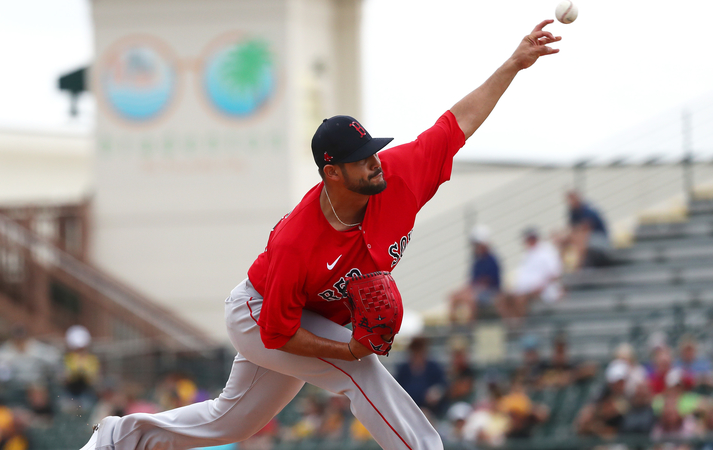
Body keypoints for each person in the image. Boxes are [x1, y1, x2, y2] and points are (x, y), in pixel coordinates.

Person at [79, 19, 563, 450]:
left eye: (373, 150)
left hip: (306, 317)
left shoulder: (398, 175)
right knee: (361, 372)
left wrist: (514, 63)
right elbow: (278, 331)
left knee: (230, 422)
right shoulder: (298, 239)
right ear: (331, 173)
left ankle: (121, 438)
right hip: (260, 314)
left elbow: (456, 124)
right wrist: (347, 350)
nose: (375, 161)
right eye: (362, 158)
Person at [498, 227, 563, 323]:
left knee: (519, 299)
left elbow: (555, 273)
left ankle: (519, 329)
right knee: (503, 299)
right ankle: (511, 326)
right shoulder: (527, 254)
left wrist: (542, 286)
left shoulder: (547, 251)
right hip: (526, 289)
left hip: (543, 291)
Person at [448, 225, 503, 323]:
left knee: (470, 299)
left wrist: (471, 290)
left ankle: (470, 328)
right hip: (477, 290)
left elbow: (488, 282)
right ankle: (454, 328)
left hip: (491, 292)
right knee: (453, 296)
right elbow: (473, 281)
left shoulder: (492, 260)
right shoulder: (477, 260)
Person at [394, 337, 447, 417]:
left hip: (430, 410)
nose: (418, 354)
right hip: (407, 409)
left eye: (420, 350)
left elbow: (442, 385)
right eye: (416, 350)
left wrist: (437, 391)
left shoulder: (433, 367)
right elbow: (396, 388)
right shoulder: (403, 369)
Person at [565, 191, 611, 268]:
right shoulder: (573, 213)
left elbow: (585, 230)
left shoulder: (587, 210)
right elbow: (571, 230)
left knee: (580, 238)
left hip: (600, 239)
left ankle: (579, 266)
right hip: (587, 239)